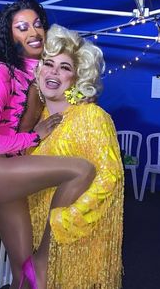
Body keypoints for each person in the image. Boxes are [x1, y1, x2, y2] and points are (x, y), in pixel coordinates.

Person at [0, 0, 96, 288]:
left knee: (23, 267)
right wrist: (34, 137)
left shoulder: (36, 72)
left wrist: (79, 96)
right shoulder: (0, 72)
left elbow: (56, 93)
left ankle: (35, 269)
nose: (33, 31)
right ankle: (46, 258)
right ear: (10, 36)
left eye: (37, 24)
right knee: (81, 170)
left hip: (10, 171)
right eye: (22, 27)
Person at [23, 24, 124, 289]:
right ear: (38, 71)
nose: (54, 71)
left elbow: (110, 176)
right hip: (33, 238)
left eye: (65, 67)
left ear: (76, 78)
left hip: (74, 245)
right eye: (48, 63)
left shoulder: (92, 117)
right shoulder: (38, 121)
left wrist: (65, 220)